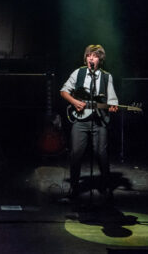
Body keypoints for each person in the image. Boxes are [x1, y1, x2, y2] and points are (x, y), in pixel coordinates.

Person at [60, 44, 118, 201]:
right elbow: (63, 91)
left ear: (100, 59)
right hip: (80, 120)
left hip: (99, 120)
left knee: (101, 153)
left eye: (95, 56)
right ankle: (74, 187)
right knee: (76, 153)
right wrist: (75, 102)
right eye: (88, 55)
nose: (91, 58)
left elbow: (112, 98)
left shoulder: (106, 76)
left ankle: (106, 187)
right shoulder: (78, 72)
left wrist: (113, 105)